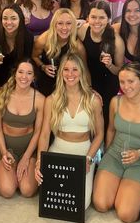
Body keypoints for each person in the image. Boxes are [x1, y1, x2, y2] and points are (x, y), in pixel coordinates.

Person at [93, 62, 140, 223]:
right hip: (115, 155)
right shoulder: (115, 101)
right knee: (101, 204)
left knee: (126, 215)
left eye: (131, 81)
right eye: (122, 82)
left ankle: (137, 189)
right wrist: (108, 153)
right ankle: (119, 184)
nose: (126, 86)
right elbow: (111, 130)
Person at [35, 53, 104, 209]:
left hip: (84, 154)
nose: (70, 74)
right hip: (58, 149)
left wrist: (89, 158)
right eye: (66, 70)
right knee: (53, 203)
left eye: (74, 69)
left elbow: (100, 135)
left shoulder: (93, 100)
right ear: (61, 73)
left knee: (80, 205)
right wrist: (40, 160)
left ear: (81, 72)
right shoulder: (51, 100)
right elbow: (45, 134)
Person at [0, 59, 45, 198]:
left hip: (28, 150)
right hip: (7, 149)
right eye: (21, 72)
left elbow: (38, 131)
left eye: (29, 73)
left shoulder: (39, 99)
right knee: (7, 191)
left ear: (34, 77)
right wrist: (3, 152)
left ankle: (21, 172)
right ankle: (11, 172)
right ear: (14, 74)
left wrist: (26, 157)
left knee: (27, 191)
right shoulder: (1, 94)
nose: (24, 77)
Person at [78, 1, 124, 126]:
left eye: (102, 17)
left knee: (103, 118)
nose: (97, 22)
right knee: (87, 117)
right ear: (88, 18)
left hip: (108, 83)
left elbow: (120, 71)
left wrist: (110, 65)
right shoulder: (83, 30)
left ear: (108, 19)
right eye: (93, 17)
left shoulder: (117, 41)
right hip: (88, 80)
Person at [32, 8, 87, 97]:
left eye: (68, 23)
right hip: (46, 84)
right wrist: (43, 67)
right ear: (54, 25)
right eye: (60, 23)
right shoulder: (43, 39)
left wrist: (89, 90)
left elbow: (85, 70)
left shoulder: (78, 46)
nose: (64, 28)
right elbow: (34, 57)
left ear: (73, 25)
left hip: (68, 85)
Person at [0, 4, 34, 87]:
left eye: (13, 18)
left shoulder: (27, 37)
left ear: (20, 20)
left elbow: (27, 62)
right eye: (5, 18)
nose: (8, 22)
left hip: (18, 81)